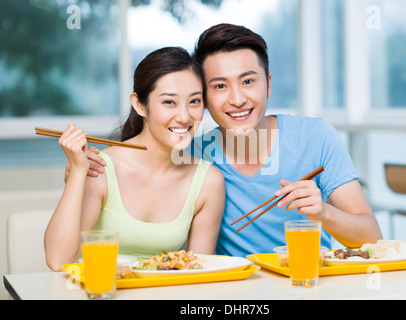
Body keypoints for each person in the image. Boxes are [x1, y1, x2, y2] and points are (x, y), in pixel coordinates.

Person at [68, 24, 382, 258]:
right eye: (219, 86)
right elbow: (137, 170)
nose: (237, 99)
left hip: (307, 284)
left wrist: (324, 213)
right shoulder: (189, 154)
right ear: (202, 99)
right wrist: (80, 173)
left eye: (248, 81)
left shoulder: (315, 136)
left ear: (268, 84)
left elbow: (372, 237)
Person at [44, 47, 225, 271]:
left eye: (195, 101)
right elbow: (57, 260)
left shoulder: (207, 180)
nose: (185, 116)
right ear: (139, 105)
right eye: (169, 102)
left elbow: (199, 271)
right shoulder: (100, 168)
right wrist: (78, 173)